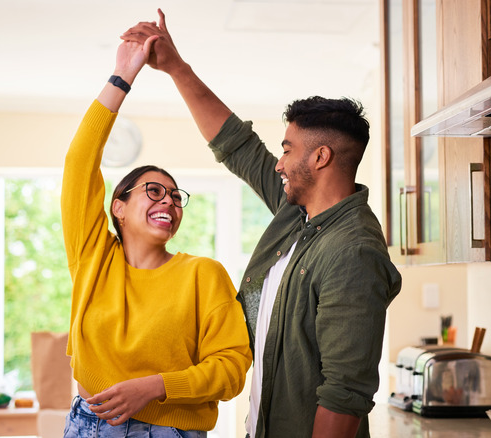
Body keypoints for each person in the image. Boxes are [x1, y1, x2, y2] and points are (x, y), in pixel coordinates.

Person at [122, 10, 402, 438]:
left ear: (320, 158)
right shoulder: (299, 215)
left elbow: (344, 396)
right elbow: (237, 145)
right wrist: (175, 68)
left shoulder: (353, 251)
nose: (279, 162)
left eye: (288, 149)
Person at [60, 34, 252, 438]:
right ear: (119, 207)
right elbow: (79, 163)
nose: (168, 200)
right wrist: (122, 75)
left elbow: (232, 368)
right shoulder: (93, 257)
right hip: (88, 426)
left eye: (175, 196)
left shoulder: (203, 275)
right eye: (153, 190)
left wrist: (155, 387)